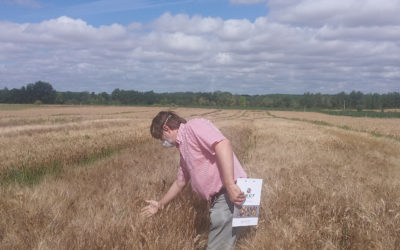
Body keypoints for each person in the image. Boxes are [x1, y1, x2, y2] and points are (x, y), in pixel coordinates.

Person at [141, 111, 247, 250]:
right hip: (222, 196)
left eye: (161, 138)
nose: (163, 142)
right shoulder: (183, 147)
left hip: (228, 193)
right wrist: (160, 204)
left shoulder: (193, 126)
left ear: (166, 128)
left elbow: (223, 144)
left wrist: (230, 185)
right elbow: (180, 182)